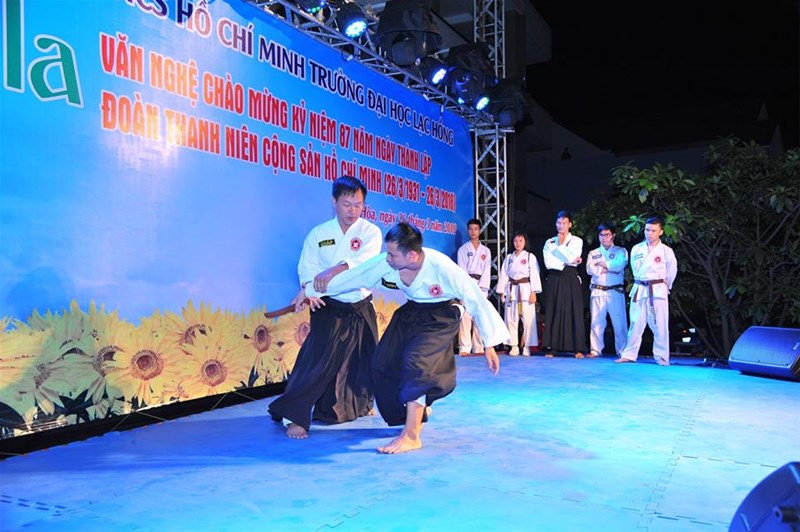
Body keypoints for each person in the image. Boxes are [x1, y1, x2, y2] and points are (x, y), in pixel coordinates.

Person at [306, 222, 507, 454]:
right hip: (412, 312)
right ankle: (409, 415)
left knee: (416, 362)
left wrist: (489, 345)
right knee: (381, 362)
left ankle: (412, 435)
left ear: (411, 255)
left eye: (392, 254)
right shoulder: (388, 263)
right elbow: (355, 277)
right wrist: (311, 290)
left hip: (441, 315)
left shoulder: (442, 266)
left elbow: (476, 299)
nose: (387, 258)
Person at [268, 176, 382, 439]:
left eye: (358, 205)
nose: (353, 210)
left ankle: (360, 405)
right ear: (334, 202)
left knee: (364, 360)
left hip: (360, 305)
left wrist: (330, 272)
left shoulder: (370, 232)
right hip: (327, 305)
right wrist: (309, 288)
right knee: (316, 362)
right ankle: (293, 415)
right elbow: (307, 268)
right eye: (347, 204)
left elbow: (363, 266)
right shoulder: (319, 234)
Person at [615, 216, 678, 366]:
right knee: (635, 324)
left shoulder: (666, 251)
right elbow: (635, 269)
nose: (649, 233)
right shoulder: (637, 248)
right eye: (647, 230)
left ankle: (662, 357)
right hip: (639, 288)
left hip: (657, 290)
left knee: (660, 325)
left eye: (653, 230)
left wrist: (664, 287)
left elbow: (671, 272)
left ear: (661, 232)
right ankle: (629, 354)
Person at [542, 210, 588, 357]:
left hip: (570, 277)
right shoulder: (549, 242)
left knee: (574, 310)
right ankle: (552, 347)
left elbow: (573, 259)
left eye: (564, 223)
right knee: (554, 310)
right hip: (555, 277)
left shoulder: (577, 241)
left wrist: (562, 248)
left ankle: (577, 348)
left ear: (570, 224)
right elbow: (549, 263)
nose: (561, 225)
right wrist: (567, 259)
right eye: (559, 222)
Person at [496, 230, 542, 356]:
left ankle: (527, 346)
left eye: (520, 240)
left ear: (525, 242)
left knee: (528, 320)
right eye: (515, 241)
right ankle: (514, 346)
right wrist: (502, 292)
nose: (518, 243)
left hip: (526, 290)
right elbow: (504, 275)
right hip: (511, 291)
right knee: (511, 319)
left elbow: (534, 275)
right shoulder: (509, 258)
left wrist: (534, 292)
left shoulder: (530, 257)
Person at [585, 223, 628, 358]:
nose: (604, 237)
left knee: (619, 323)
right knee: (596, 322)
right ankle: (595, 350)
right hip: (598, 290)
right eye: (601, 235)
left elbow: (619, 265)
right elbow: (590, 270)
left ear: (613, 236)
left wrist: (604, 265)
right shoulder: (593, 253)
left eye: (607, 235)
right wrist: (608, 268)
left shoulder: (621, 251)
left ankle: (622, 351)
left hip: (615, 291)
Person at [456, 218, 492, 356]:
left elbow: (487, 271)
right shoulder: (463, 250)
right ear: (467, 231)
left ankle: (478, 346)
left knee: (479, 317)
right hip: (467, 285)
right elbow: (462, 270)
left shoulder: (486, 251)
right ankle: (465, 347)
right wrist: (467, 287)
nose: (473, 232)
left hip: (481, 286)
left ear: (480, 231)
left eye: (476, 229)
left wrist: (483, 288)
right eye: (470, 229)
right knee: (466, 317)